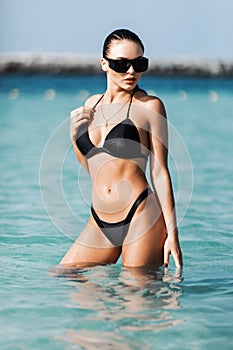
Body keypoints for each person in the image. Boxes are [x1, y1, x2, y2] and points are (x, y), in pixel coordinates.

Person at [60, 28, 183, 269]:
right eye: (121, 64)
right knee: (64, 275)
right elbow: (92, 167)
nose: (131, 72)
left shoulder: (150, 107)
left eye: (139, 64)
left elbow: (160, 172)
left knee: (134, 296)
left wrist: (173, 235)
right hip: (100, 220)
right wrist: (74, 135)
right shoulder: (91, 105)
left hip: (140, 214)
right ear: (104, 64)